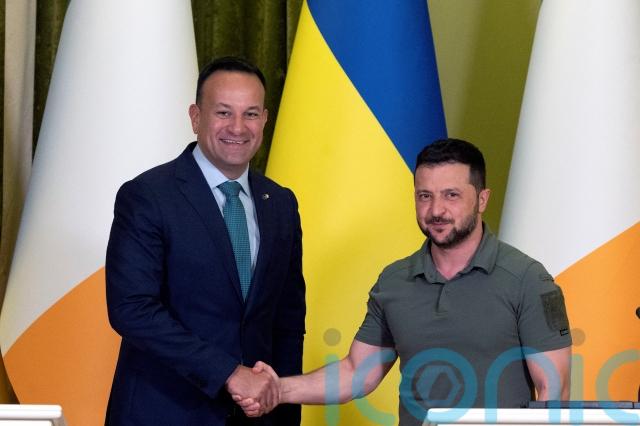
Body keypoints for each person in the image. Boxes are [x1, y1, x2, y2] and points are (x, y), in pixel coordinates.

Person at [235, 138, 572, 425]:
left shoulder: (528, 279)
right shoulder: (394, 281)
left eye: (451, 195)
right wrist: (278, 389)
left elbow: (553, 391)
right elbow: (356, 372)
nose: (436, 210)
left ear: (482, 199)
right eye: (425, 196)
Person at [105, 56, 306, 425]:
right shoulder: (148, 196)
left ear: (264, 120)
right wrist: (228, 373)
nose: (238, 127)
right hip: (164, 413)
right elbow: (132, 309)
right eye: (223, 112)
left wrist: (284, 409)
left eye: (250, 114)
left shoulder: (280, 204)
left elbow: (288, 321)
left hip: (257, 417)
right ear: (196, 117)